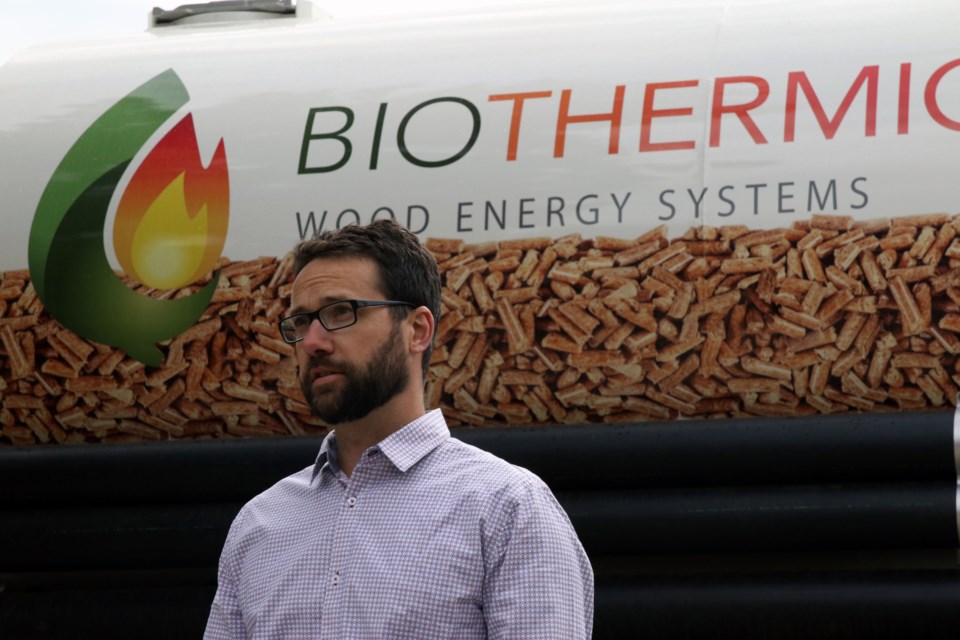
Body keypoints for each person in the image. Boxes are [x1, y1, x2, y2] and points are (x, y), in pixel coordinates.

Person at [203, 219, 594, 639]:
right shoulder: (260, 523)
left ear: (418, 330)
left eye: (340, 312)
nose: (312, 342)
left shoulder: (506, 508)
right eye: (300, 323)